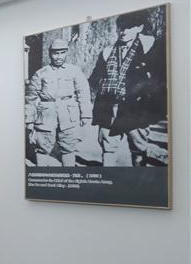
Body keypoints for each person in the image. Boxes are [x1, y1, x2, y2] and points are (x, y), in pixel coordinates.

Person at [88, 11, 167, 167]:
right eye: (121, 28)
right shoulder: (107, 52)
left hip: (136, 109)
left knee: (138, 148)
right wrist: (104, 89)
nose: (123, 32)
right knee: (108, 148)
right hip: (109, 108)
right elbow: (93, 80)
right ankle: (108, 183)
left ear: (139, 28)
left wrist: (149, 103)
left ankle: (138, 186)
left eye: (129, 28)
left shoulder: (150, 49)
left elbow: (160, 81)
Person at [25, 38, 92, 167]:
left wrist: (85, 115)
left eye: (62, 53)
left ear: (66, 53)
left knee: (68, 147)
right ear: (50, 54)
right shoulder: (41, 74)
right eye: (55, 53)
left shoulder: (74, 71)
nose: (59, 56)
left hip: (68, 114)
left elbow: (83, 93)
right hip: (46, 115)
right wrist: (29, 121)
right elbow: (31, 98)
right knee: (42, 147)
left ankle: (69, 176)